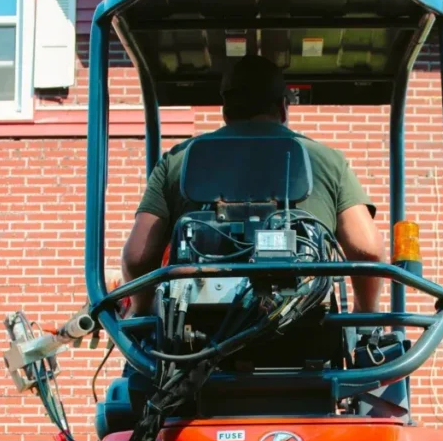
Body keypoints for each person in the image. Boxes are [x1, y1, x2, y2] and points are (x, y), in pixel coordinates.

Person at [122, 55, 385, 316]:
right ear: (283, 107)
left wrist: (142, 310)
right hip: (307, 331)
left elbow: (138, 257)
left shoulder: (177, 160)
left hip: (197, 342)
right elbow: (368, 251)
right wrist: (366, 316)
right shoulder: (328, 161)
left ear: (226, 109)